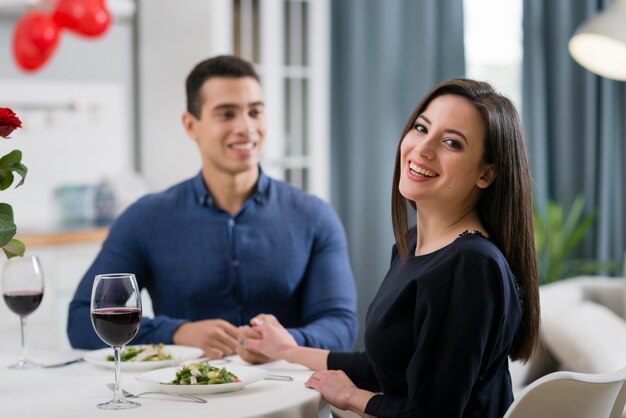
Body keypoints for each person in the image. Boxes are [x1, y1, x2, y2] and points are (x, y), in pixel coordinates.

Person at [239, 79, 540, 417]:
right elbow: (385, 366)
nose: (423, 149)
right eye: (421, 128)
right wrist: (287, 350)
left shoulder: (470, 266)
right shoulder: (411, 244)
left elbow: (431, 415)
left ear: (486, 174)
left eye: (451, 142)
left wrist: (352, 397)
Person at [67, 55, 358, 359]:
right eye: (226, 114)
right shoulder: (144, 218)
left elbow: (341, 325)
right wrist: (176, 333)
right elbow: (81, 320)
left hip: (294, 399)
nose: (246, 127)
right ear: (191, 125)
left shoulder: (315, 216)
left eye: (255, 112)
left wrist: (284, 344)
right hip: (188, 400)